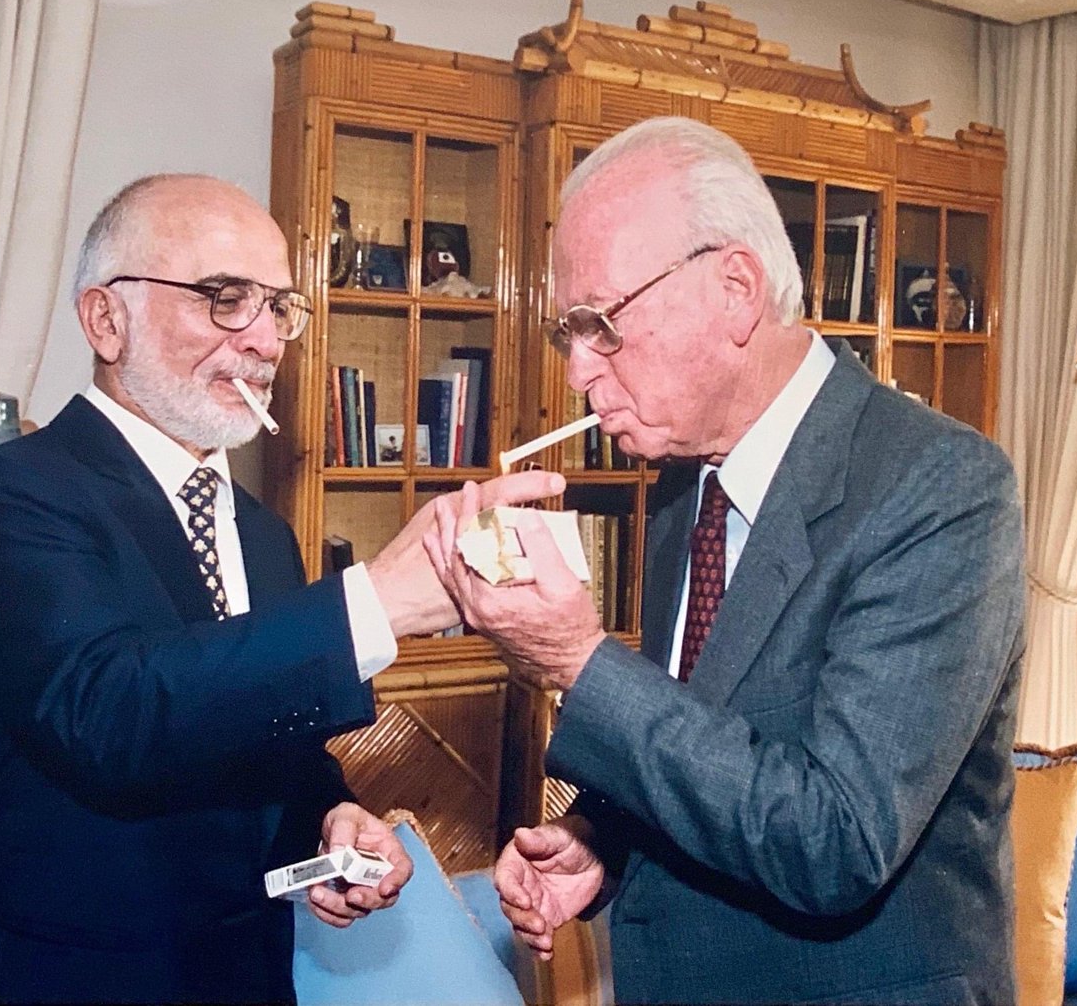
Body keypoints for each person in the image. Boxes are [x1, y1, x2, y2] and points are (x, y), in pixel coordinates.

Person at [0, 174, 562, 1005]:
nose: (263, 341)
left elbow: (249, 736)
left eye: (279, 307)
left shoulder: (260, 532)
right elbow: (109, 710)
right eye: (224, 299)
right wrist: (379, 601)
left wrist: (330, 814)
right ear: (107, 319)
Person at [425, 117, 1025, 1005]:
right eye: (567, 333)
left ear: (735, 289)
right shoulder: (685, 486)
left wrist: (576, 663)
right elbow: (716, 736)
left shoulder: (940, 487)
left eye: (600, 325)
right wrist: (605, 841)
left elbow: (837, 840)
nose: (578, 373)